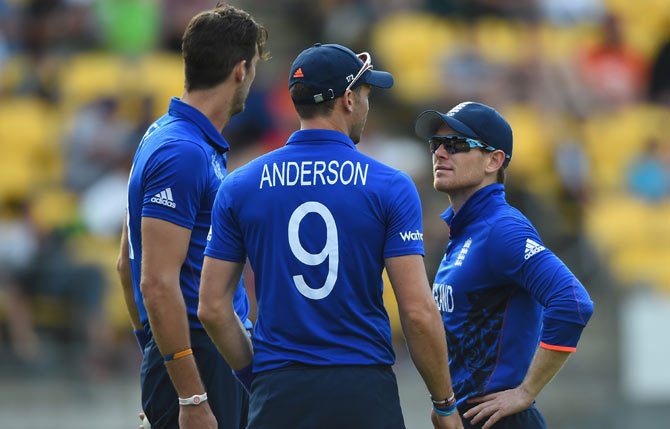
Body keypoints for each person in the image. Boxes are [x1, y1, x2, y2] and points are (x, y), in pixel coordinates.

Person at [197, 43, 463, 429]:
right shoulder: (389, 186)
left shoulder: (239, 186)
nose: (368, 107)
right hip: (363, 390)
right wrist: (443, 403)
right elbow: (419, 313)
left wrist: (254, 377)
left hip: (279, 390)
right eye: (368, 95)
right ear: (350, 100)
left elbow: (212, 307)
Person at [115, 5, 268, 429]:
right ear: (240, 70)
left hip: (193, 354)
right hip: (200, 356)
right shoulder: (181, 152)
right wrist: (189, 391)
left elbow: (125, 264)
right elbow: (155, 281)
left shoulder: (169, 136)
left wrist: (159, 356)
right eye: (254, 68)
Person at [414, 102, 594, 429]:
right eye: (436, 144)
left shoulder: (502, 230)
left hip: (501, 419)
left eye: (455, 145)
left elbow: (573, 302)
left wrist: (525, 391)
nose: (440, 153)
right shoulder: (467, 229)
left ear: (494, 160)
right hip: (467, 416)